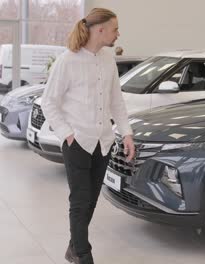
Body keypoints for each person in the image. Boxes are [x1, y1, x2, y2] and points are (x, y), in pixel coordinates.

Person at [41, 8, 135, 264]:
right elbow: (49, 102)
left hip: (103, 142)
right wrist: (66, 134)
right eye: (115, 28)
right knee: (80, 200)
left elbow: (117, 102)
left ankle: (73, 247)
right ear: (100, 29)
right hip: (77, 143)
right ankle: (83, 254)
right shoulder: (67, 60)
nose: (118, 33)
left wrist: (126, 134)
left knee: (91, 201)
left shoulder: (107, 59)